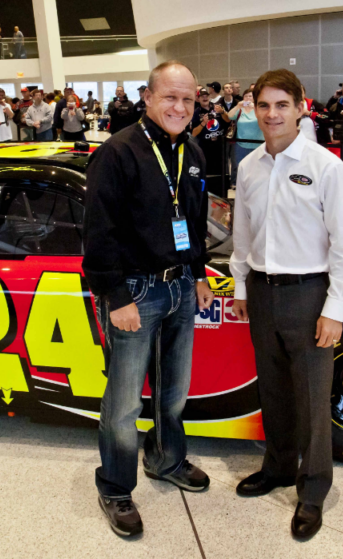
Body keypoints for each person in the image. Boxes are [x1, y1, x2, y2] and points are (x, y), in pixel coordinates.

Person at [229, 69, 343, 543]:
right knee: (275, 390)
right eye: (263, 105)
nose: (272, 114)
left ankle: (313, 489)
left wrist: (334, 309)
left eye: (282, 105)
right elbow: (243, 236)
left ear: (302, 108)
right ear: (253, 109)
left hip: (309, 294)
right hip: (263, 292)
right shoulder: (248, 167)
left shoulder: (326, 166)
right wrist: (242, 289)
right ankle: (279, 467)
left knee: (310, 397)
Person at [83, 61, 214, 538]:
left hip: (181, 286)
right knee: (122, 405)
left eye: (188, 100)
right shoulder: (118, 153)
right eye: (170, 97)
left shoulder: (193, 151)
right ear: (148, 97)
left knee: (173, 391)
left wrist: (198, 274)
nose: (180, 107)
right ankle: (115, 486)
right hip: (134, 290)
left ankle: (166, 459)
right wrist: (116, 295)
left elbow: (194, 222)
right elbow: (99, 232)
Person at [190, 88, 226, 181]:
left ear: (210, 97)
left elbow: (228, 120)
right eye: (202, 96)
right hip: (205, 146)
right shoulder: (196, 112)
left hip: (219, 145)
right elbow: (193, 133)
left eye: (207, 95)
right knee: (207, 172)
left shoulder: (218, 107)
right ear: (198, 98)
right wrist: (203, 123)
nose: (205, 98)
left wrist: (222, 112)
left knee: (221, 172)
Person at [230, 90, 263, 172]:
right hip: (241, 145)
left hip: (258, 145)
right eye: (246, 96)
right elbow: (230, 116)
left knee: (257, 169)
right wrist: (237, 106)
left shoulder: (259, 107)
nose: (248, 98)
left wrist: (255, 107)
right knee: (241, 169)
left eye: (250, 96)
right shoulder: (240, 109)